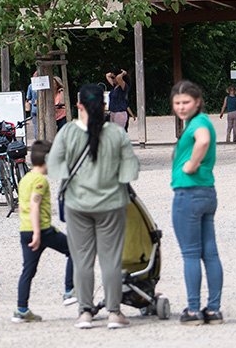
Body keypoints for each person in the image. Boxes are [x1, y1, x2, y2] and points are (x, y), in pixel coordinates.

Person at [48, 83, 140, 330]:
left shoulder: (67, 132)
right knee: (110, 260)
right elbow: (131, 169)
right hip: (111, 205)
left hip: (78, 205)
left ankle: (85, 313)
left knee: (82, 260)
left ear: (78, 105)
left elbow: (54, 166)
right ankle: (113, 313)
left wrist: (76, 181)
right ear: (104, 105)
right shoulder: (116, 133)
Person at [171, 80, 225, 325]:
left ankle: (193, 310)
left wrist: (191, 165)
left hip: (188, 193)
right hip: (207, 192)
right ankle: (213, 310)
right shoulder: (198, 122)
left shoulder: (199, 123)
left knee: (191, 254)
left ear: (198, 102)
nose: (181, 107)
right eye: (177, 103)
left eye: (186, 102)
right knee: (210, 253)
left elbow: (202, 141)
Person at [12, 140, 75, 323]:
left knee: (28, 271)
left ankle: (21, 309)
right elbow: (34, 204)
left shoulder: (25, 179)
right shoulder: (40, 180)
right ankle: (69, 290)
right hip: (42, 231)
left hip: (25, 230)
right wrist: (38, 233)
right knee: (74, 248)